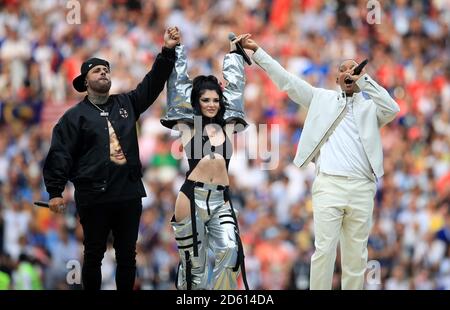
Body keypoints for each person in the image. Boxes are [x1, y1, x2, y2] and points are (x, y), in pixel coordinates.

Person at [239, 35, 400, 290]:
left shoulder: (371, 108)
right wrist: (258, 53)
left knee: (356, 256)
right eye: (343, 70)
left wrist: (366, 81)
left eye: (353, 68)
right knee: (323, 250)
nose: (348, 72)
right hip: (329, 185)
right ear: (336, 79)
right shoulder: (321, 99)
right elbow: (286, 81)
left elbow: (392, 109)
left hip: (362, 187)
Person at [42, 27, 180, 290]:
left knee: (127, 256)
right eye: (97, 70)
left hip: (128, 193)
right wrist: (55, 192)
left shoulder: (126, 103)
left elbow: (153, 83)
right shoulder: (74, 117)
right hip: (93, 195)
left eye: (106, 69)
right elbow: (59, 154)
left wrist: (167, 51)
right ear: (85, 81)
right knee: (94, 255)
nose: (104, 72)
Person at [160, 30, 249, 290]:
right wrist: (176, 49)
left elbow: (235, 91)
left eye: (215, 100)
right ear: (196, 102)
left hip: (221, 198)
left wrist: (234, 55)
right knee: (193, 267)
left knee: (231, 254)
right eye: (205, 100)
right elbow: (177, 86)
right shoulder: (189, 125)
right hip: (192, 198)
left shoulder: (229, 125)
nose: (211, 104)